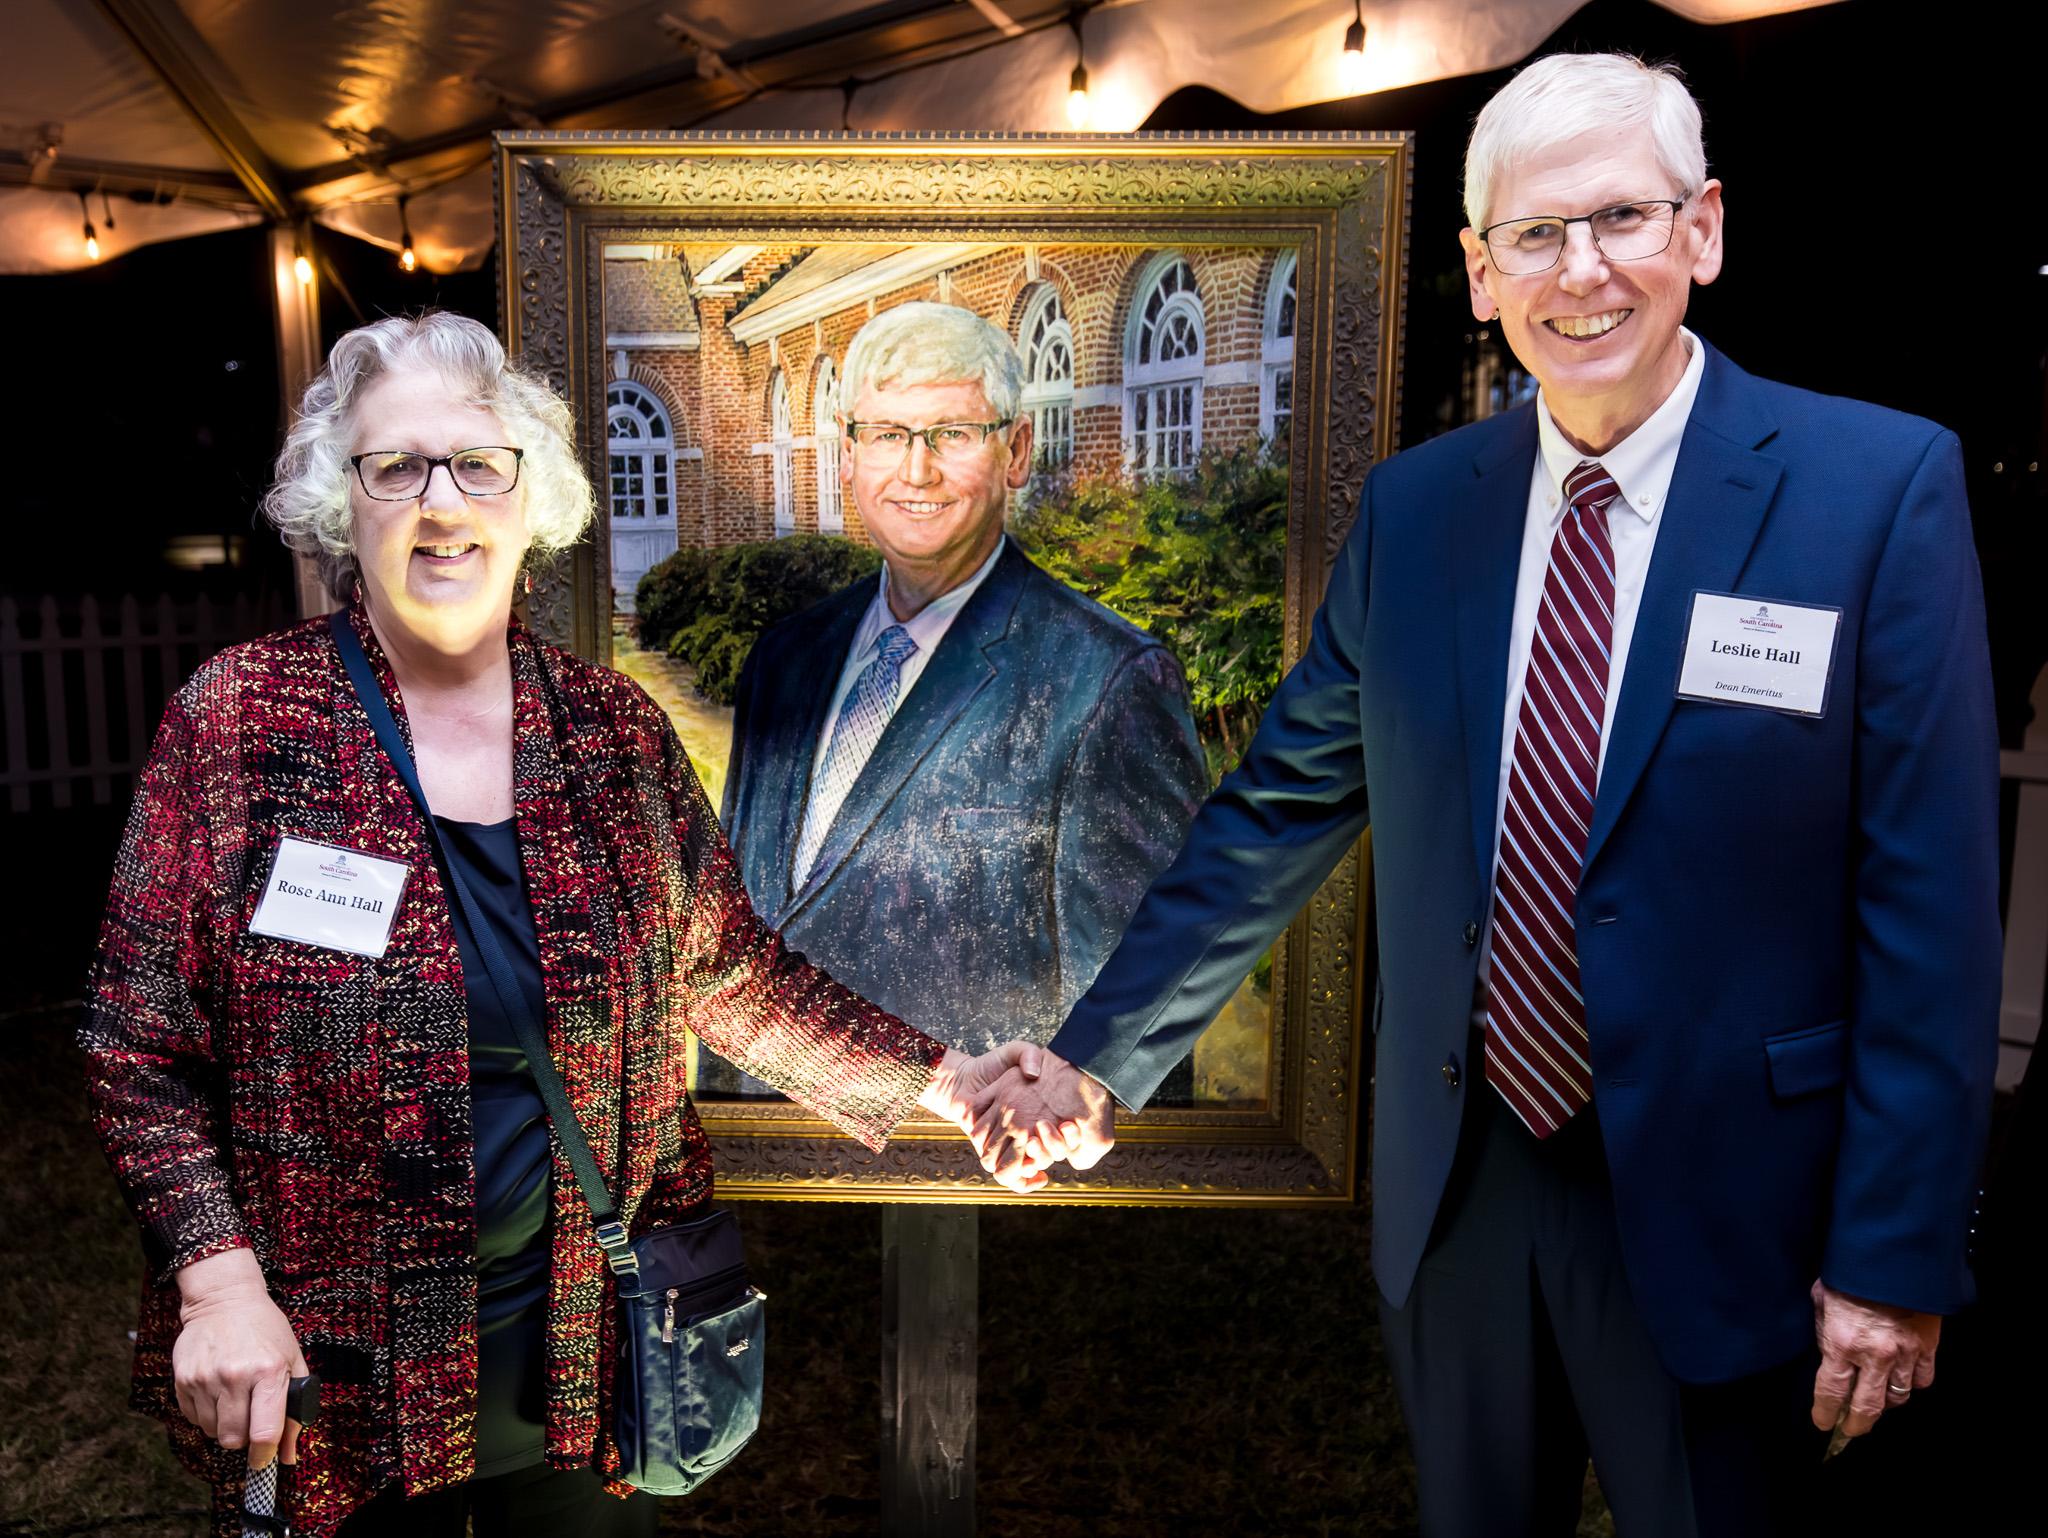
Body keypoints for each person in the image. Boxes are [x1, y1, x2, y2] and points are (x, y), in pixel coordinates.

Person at [981, 51, 2001, 1535]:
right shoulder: (1418, 511)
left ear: (1702, 231)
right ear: (1478, 269)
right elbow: (1274, 809)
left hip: (1740, 1208)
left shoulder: (1874, 489)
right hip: (1465, 1190)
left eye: (1623, 220)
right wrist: (1096, 1057)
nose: (1581, 271)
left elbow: (1932, 905)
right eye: (1535, 233)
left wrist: (1897, 1249)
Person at [77, 311, 1037, 1538]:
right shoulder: (240, 721)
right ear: (342, 504)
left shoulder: (610, 733)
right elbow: (134, 1041)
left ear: (534, 502)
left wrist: (950, 1080)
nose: (441, 500)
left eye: (478, 463)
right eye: (395, 466)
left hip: (584, 1351)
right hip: (335, 1376)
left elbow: (730, 973)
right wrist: (216, 1282)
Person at [717, 300, 1205, 1092]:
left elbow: (1133, 1027)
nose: (916, 471)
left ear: (1016, 450)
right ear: (847, 455)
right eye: (886, 435)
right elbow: (733, 933)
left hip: (966, 1162)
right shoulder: (786, 659)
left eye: (952, 434)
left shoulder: (1106, 680)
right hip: (767, 1145)